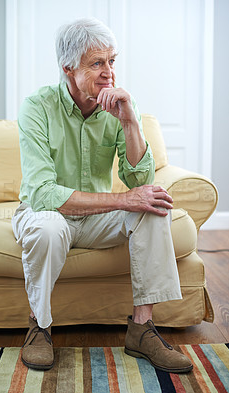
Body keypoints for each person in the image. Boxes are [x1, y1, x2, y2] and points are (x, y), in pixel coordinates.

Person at [12, 17, 193, 373]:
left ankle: (142, 330)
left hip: (95, 218)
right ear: (68, 68)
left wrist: (130, 122)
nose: (109, 72)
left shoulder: (119, 103)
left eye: (112, 60)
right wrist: (124, 200)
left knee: (153, 207)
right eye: (97, 63)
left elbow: (138, 178)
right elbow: (44, 194)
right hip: (45, 213)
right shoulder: (37, 107)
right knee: (49, 228)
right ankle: (40, 326)